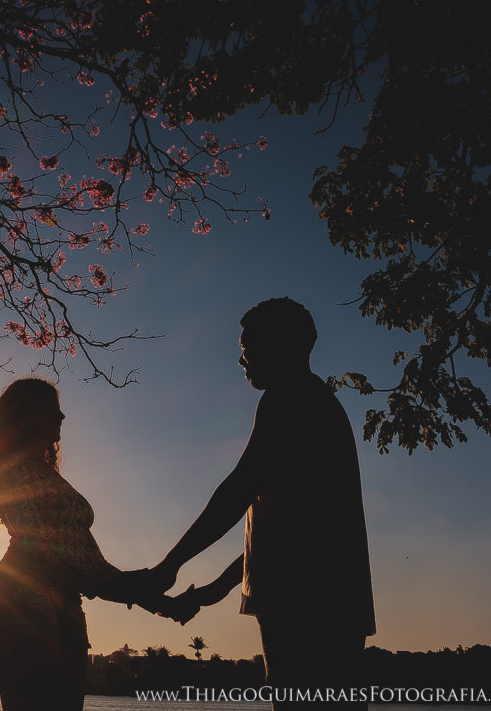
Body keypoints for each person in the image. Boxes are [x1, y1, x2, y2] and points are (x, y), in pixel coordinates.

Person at [156, 298, 376, 709]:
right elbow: (292, 526)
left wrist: (170, 564)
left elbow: (239, 487)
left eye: (248, 346)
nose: (242, 359)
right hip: (325, 600)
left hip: (307, 604)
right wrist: (216, 588)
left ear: (283, 345)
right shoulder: (317, 401)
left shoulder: (290, 395)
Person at [0, 377, 190, 711]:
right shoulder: (8, 470)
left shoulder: (48, 474)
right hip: (22, 596)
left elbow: (86, 558)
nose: (62, 418)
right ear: (26, 414)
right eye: (53, 410)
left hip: (68, 602)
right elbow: (45, 546)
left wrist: (155, 599)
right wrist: (139, 585)